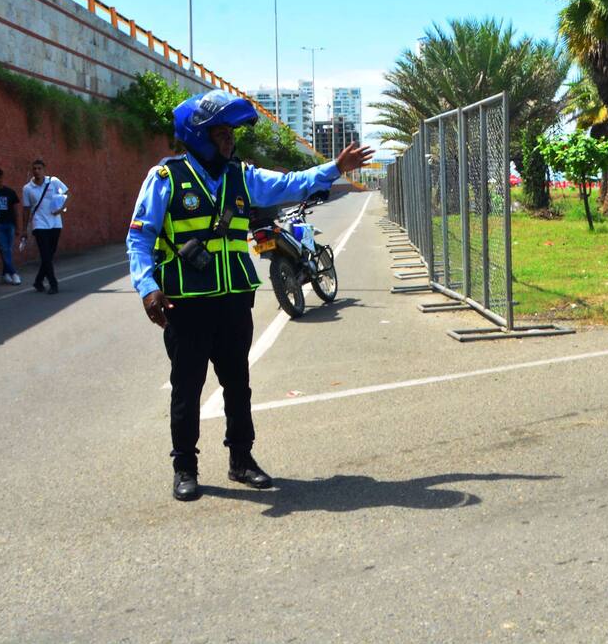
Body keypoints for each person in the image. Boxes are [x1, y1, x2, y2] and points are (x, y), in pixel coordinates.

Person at [126, 90, 373, 501]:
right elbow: (139, 239)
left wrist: (335, 167)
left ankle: (242, 460)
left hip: (233, 299)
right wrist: (147, 288)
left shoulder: (242, 175)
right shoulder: (166, 178)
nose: (229, 139)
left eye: (229, 132)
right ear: (199, 135)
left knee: (238, 384)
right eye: (221, 132)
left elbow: (289, 184)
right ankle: (184, 467)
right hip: (184, 303)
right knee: (187, 387)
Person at [21, 159, 69, 294]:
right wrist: (24, 229)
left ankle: (38, 281)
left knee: (49, 254)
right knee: (45, 255)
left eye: (39, 168)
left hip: (55, 223)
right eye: (34, 169)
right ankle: (53, 283)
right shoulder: (27, 188)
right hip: (39, 224)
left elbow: (67, 194)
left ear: (44, 169)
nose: (36, 171)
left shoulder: (53, 182)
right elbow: (25, 209)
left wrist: (62, 209)